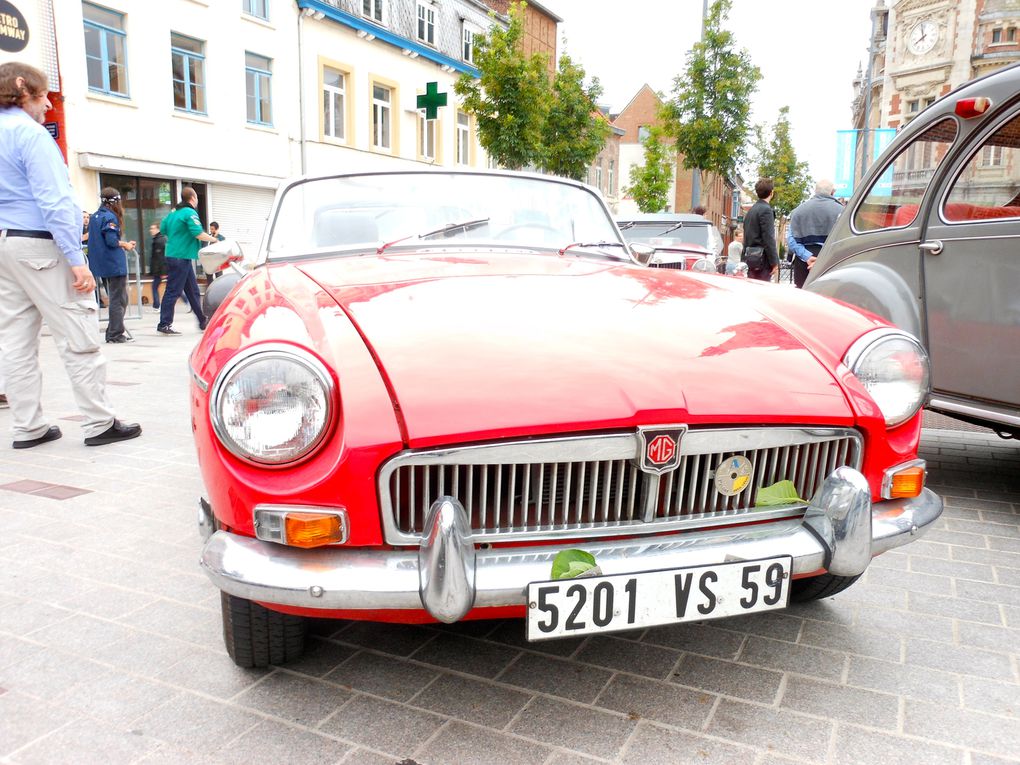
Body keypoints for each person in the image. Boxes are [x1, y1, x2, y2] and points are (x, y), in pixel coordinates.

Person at [0, 61, 140, 447]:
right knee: (77, 330)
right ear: (21, 87)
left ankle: (29, 427)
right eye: (44, 95)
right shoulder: (29, 134)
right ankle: (99, 421)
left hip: (4, 245)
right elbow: (56, 200)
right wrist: (77, 260)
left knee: (15, 342)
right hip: (39, 244)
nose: (47, 105)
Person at [157, 186, 216, 335]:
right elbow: (198, 233)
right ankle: (164, 324)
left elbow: (162, 229)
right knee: (173, 290)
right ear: (193, 198)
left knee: (193, 290)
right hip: (180, 257)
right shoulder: (189, 212)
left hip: (177, 256)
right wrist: (214, 240)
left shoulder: (173, 213)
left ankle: (203, 321)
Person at [87, 188, 136, 342]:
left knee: (117, 298)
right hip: (113, 263)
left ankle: (112, 331)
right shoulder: (110, 217)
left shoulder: (95, 216)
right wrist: (125, 245)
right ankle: (115, 334)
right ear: (115, 201)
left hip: (101, 264)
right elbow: (111, 241)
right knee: (119, 300)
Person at [788, 179, 844, 289]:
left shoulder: (798, 211)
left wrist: (806, 256)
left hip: (804, 262)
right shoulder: (842, 211)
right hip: (830, 262)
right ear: (832, 192)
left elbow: (791, 239)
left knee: (803, 299)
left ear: (815, 191)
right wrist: (824, 259)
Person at [742, 178, 780, 282]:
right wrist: (774, 262)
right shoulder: (766, 210)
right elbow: (768, 238)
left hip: (750, 258)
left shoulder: (751, 211)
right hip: (762, 260)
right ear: (771, 193)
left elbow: (746, 236)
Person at [149, 222, 166, 310]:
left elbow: (160, 258)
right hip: (161, 269)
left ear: (158, 229)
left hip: (161, 270)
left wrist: (162, 271)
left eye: (153, 228)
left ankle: (156, 306)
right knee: (174, 287)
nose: (151, 230)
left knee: (154, 286)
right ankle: (187, 301)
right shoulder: (158, 239)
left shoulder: (159, 241)